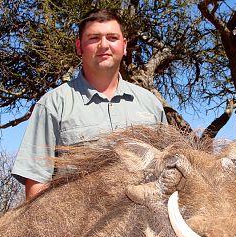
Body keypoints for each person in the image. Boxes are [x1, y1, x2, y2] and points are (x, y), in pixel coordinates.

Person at [12, 9, 167, 201]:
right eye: (94, 38)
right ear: (79, 47)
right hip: (76, 229)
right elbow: (36, 183)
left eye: (112, 37)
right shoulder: (52, 104)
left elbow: (166, 172)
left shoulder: (150, 104)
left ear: (124, 45)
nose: (104, 45)